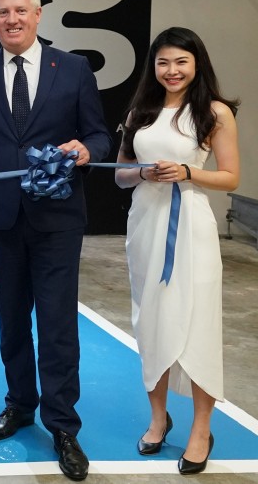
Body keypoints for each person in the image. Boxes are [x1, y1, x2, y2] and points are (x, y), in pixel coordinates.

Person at [0, 0, 110, 481]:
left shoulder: (74, 69)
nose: (11, 20)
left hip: (58, 219)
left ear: (38, 16)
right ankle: (20, 405)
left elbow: (99, 134)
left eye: (20, 11)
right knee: (12, 320)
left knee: (57, 325)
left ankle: (63, 426)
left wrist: (86, 150)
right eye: (1, 13)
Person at [114, 27, 239, 475]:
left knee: (198, 322)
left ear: (196, 63)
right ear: (154, 66)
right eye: (163, 62)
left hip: (191, 226)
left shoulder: (214, 111)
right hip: (145, 225)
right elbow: (121, 174)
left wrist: (187, 171)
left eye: (181, 62)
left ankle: (202, 428)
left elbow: (230, 177)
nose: (172, 71)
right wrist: (143, 175)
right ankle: (157, 418)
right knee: (149, 322)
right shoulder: (140, 111)